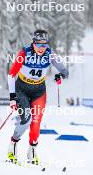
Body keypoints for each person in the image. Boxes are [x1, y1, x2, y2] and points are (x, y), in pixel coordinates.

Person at [7, 29, 69, 164]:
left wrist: (61, 75)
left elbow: (65, 71)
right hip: (21, 89)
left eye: (45, 44)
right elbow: (11, 74)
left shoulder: (49, 54)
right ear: (33, 43)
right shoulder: (24, 53)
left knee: (36, 122)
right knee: (27, 119)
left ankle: (32, 150)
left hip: (39, 91)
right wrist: (12, 97)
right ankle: (13, 144)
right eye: (39, 44)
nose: (42, 48)